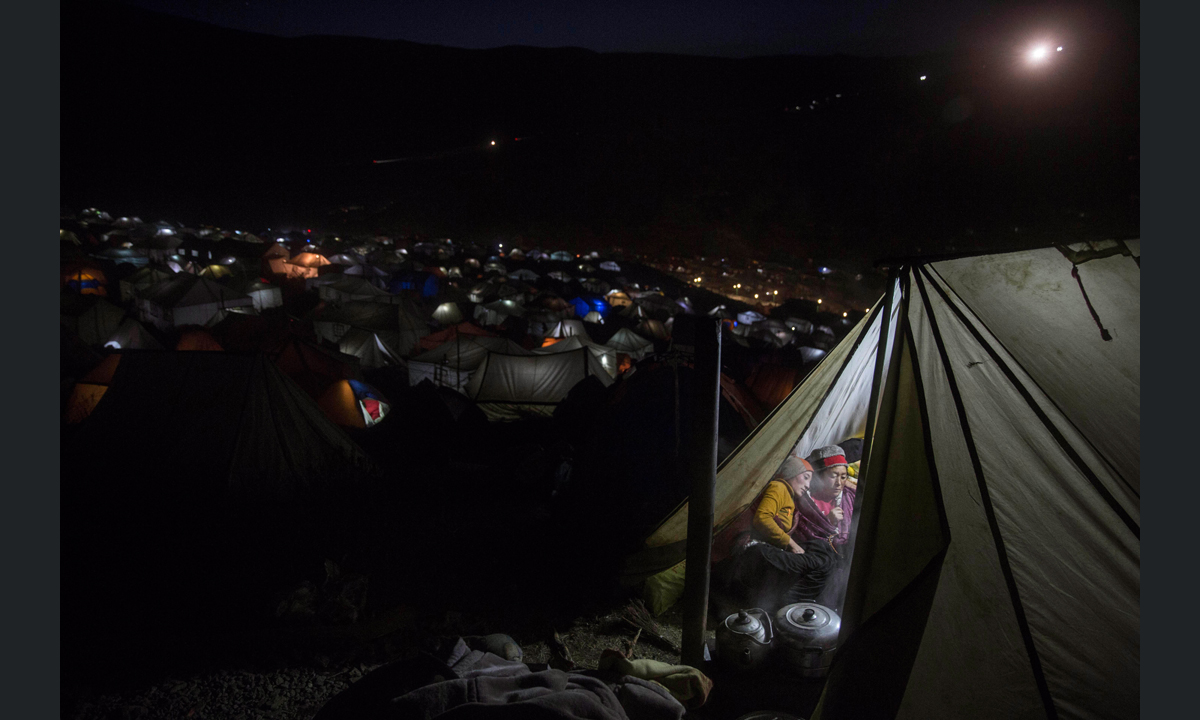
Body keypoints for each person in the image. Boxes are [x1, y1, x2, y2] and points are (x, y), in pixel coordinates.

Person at [725, 456, 839, 611]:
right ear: (791, 473)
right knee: (822, 562)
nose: (807, 485)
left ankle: (793, 602)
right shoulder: (779, 486)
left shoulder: (791, 499)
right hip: (754, 551)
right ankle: (789, 606)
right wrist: (790, 543)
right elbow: (762, 519)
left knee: (822, 548)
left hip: (767, 551)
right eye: (805, 478)